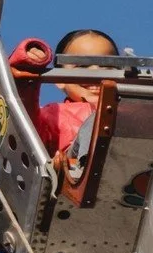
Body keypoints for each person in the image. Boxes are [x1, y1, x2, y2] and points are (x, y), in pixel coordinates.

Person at [9, 27, 119, 159]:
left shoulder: (130, 111)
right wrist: (27, 64)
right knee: (97, 120)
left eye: (108, 66)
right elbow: (24, 119)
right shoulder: (55, 115)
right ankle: (87, 161)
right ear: (59, 78)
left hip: (126, 161)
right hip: (75, 164)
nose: (97, 73)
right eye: (82, 66)